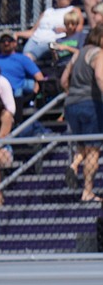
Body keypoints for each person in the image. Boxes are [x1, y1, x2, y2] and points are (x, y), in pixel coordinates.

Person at [59, 22, 103, 202]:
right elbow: (100, 76)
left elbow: (63, 80)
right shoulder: (99, 53)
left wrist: (72, 94)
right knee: (93, 149)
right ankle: (88, 191)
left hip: (71, 104)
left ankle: (74, 163)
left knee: (82, 146)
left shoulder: (78, 54)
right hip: (91, 104)